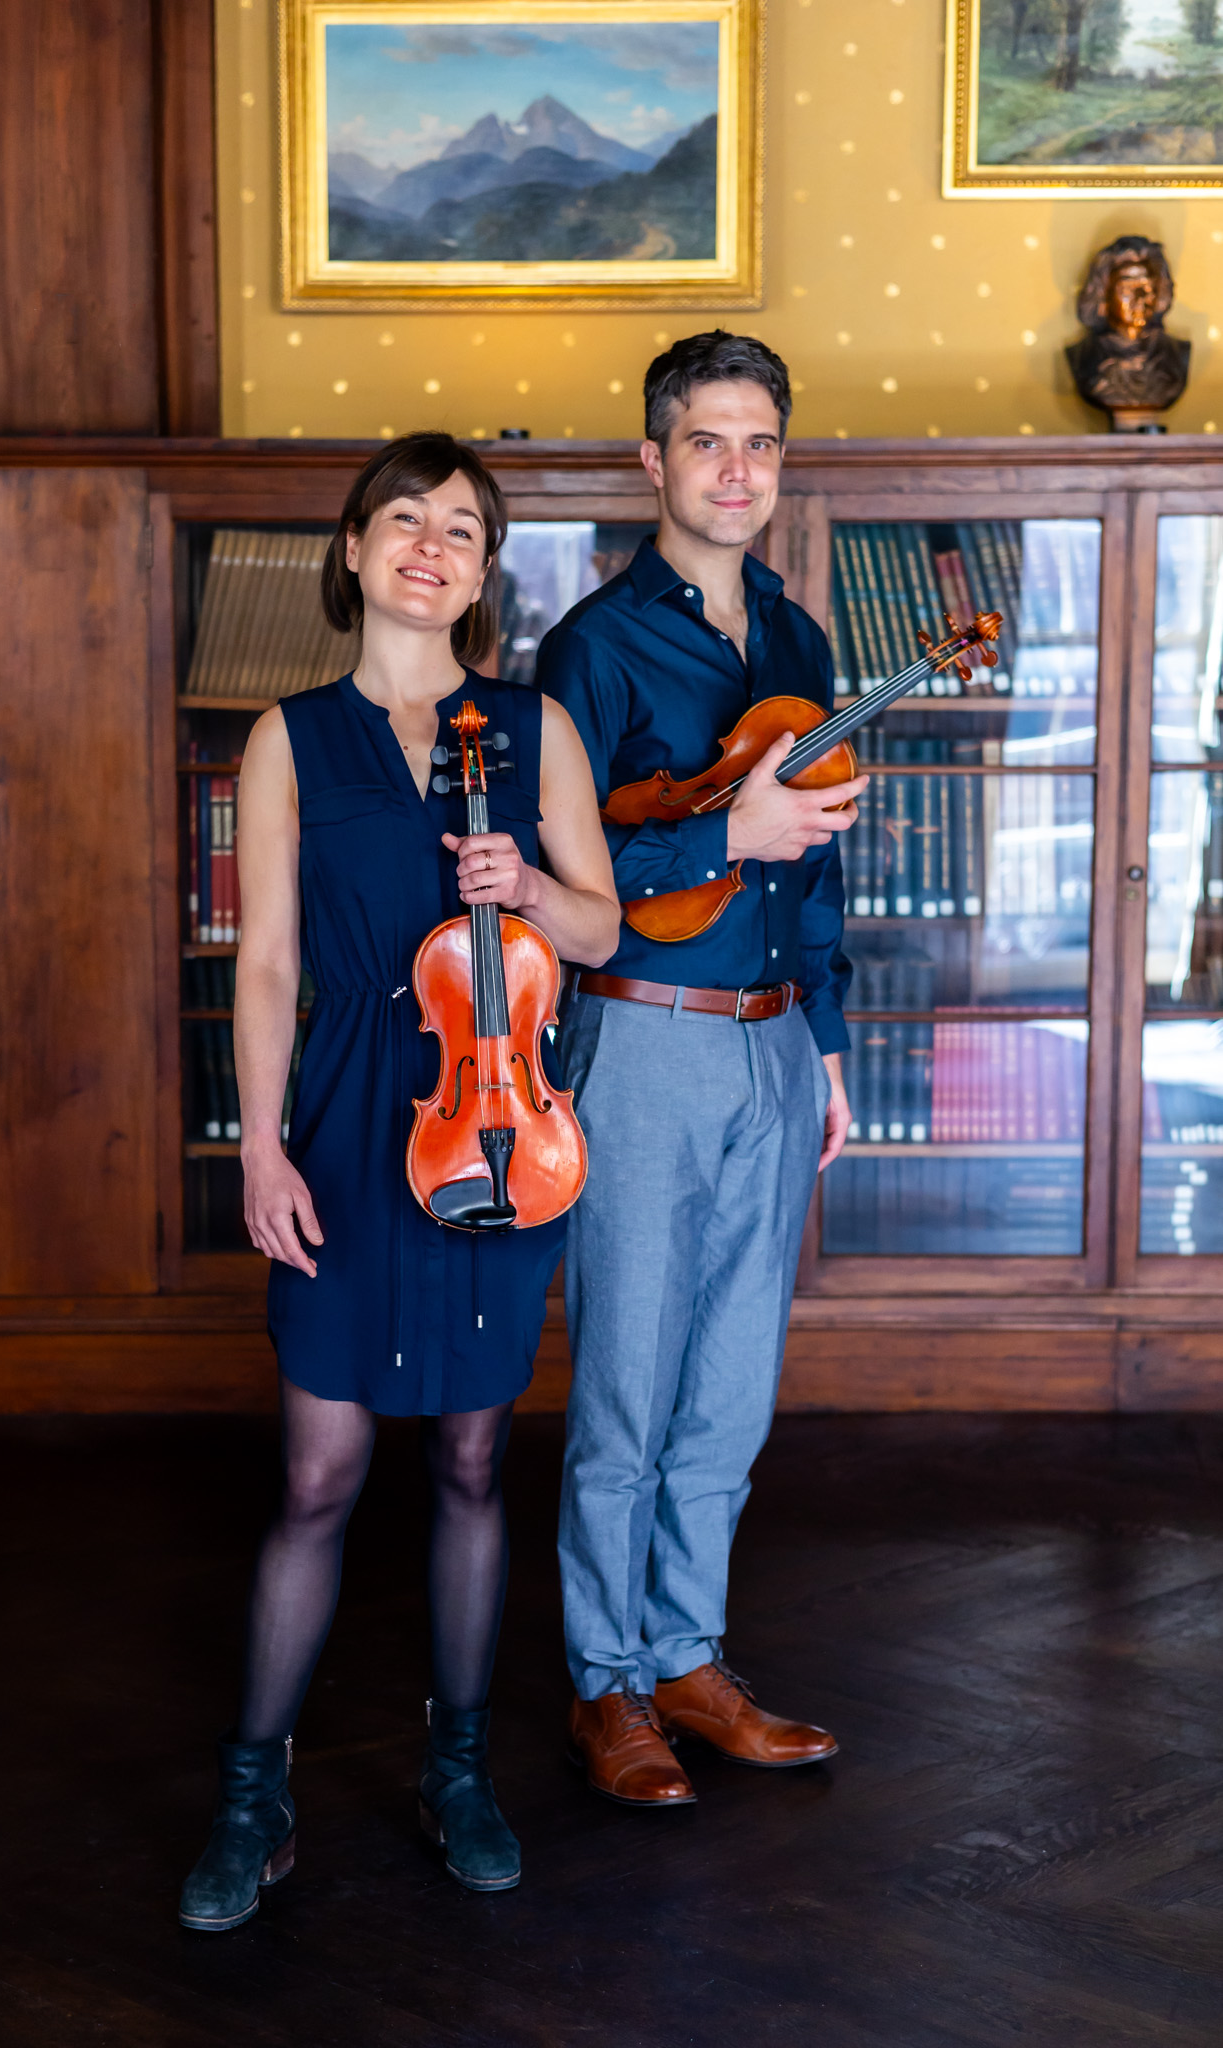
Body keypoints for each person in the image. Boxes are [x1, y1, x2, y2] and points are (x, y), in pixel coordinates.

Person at [180, 433, 619, 1927]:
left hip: (492, 1117)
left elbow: (605, 933)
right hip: (352, 1113)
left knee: (477, 1463)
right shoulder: (286, 738)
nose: (433, 547)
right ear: (356, 552)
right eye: (406, 522)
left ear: (484, 574)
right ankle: (253, 1792)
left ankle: (457, 1771)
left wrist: (536, 896)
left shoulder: (536, 727)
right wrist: (259, 1146)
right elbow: (269, 971)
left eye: (464, 530)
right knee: (317, 1474)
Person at [535, 331, 864, 1807]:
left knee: (730, 1388)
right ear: (653, 461)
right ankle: (603, 1682)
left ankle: (687, 1656)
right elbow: (567, 867)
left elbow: (826, 867)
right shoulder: (593, 647)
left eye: (761, 445)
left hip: (774, 1046)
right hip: (643, 1032)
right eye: (709, 442)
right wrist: (723, 839)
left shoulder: (795, 643)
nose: (737, 470)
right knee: (627, 1378)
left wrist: (831, 1042)